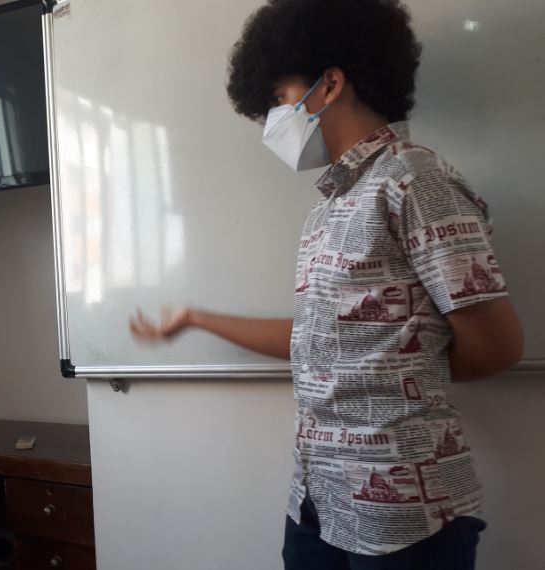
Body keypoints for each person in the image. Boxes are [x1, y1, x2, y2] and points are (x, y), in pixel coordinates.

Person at [130, 1, 524, 568]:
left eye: (279, 97)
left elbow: (498, 347)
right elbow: (323, 345)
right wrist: (197, 318)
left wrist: (401, 375)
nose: (273, 118)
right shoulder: (330, 208)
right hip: (317, 498)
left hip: (403, 512)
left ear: (331, 84)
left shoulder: (414, 181)